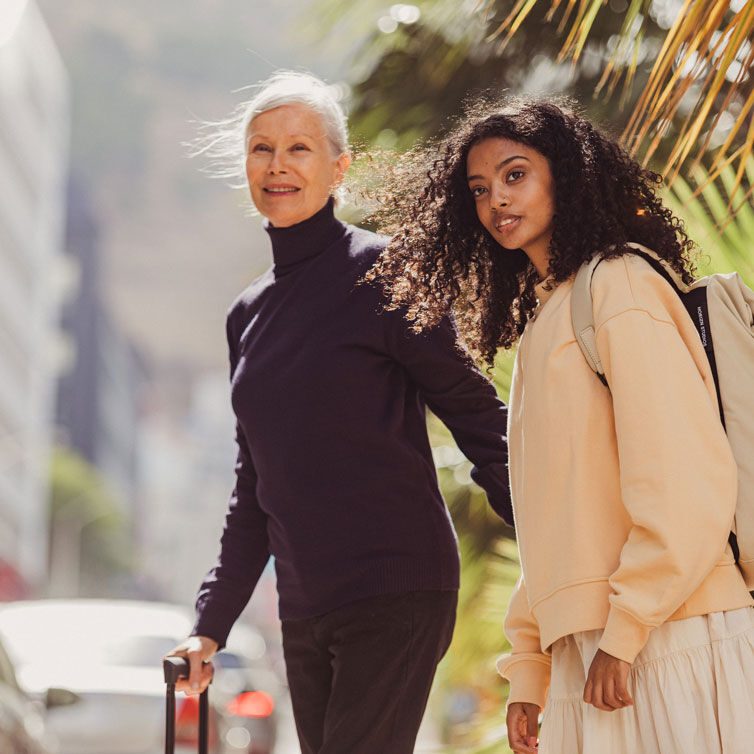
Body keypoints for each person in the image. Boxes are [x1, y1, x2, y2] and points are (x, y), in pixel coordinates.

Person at [367, 99, 754, 753]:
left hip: (672, 636)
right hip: (604, 653)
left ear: (567, 175)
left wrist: (627, 626)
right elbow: (555, 521)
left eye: (515, 175)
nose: (496, 202)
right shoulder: (548, 320)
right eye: (480, 190)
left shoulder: (620, 286)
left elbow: (682, 474)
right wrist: (529, 669)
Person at [165, 71, 513, 754]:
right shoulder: (248, 314)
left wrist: (559, 546)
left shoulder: (387, 274)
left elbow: (480, 419)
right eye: (261, 149)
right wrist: (210, 625)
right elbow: (255, 489)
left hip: (397, 584)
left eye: (299, 148)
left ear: (338, 166)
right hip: (305, 606)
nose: (278, 165)